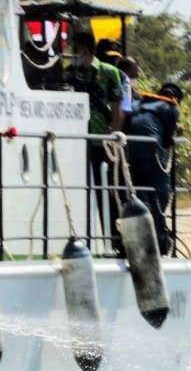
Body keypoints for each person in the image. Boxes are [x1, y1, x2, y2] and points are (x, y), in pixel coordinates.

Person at [67, 30, 127, 246]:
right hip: (76, 142)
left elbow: (118, 106)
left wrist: (113, 134)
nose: (77, 53)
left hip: (101, 140)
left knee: (108, 191)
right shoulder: (71, 72)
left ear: (88, 48)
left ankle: (114, 238)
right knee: (80, 190)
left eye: (80, 48)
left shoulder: (109, 73)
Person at [126, 82, 184, 255]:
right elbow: (167, 140)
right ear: (176, 99)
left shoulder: (138, 103)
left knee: (137, 191)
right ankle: (159, 239)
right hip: (151, 150)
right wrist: (176, 130)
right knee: (160, 193)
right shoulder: (171, 107)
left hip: (130, 151)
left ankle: (137, 235)